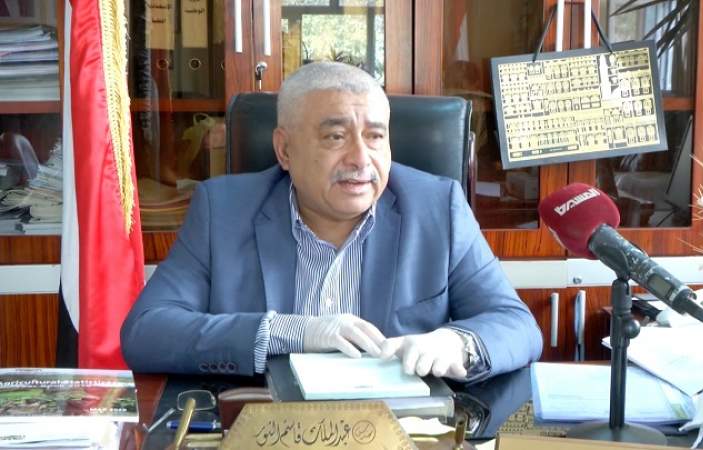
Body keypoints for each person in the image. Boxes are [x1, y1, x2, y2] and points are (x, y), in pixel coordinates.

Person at [121, 61, 542, 383]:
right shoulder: (224, 210)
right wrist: (290, 332)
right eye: (335, 137)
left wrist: (457, 342)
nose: (361, 159)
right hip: (269, 427)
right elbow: (146, 332)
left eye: (375, 136)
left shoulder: (437, 208)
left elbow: (516, 325)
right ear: (285, 150)